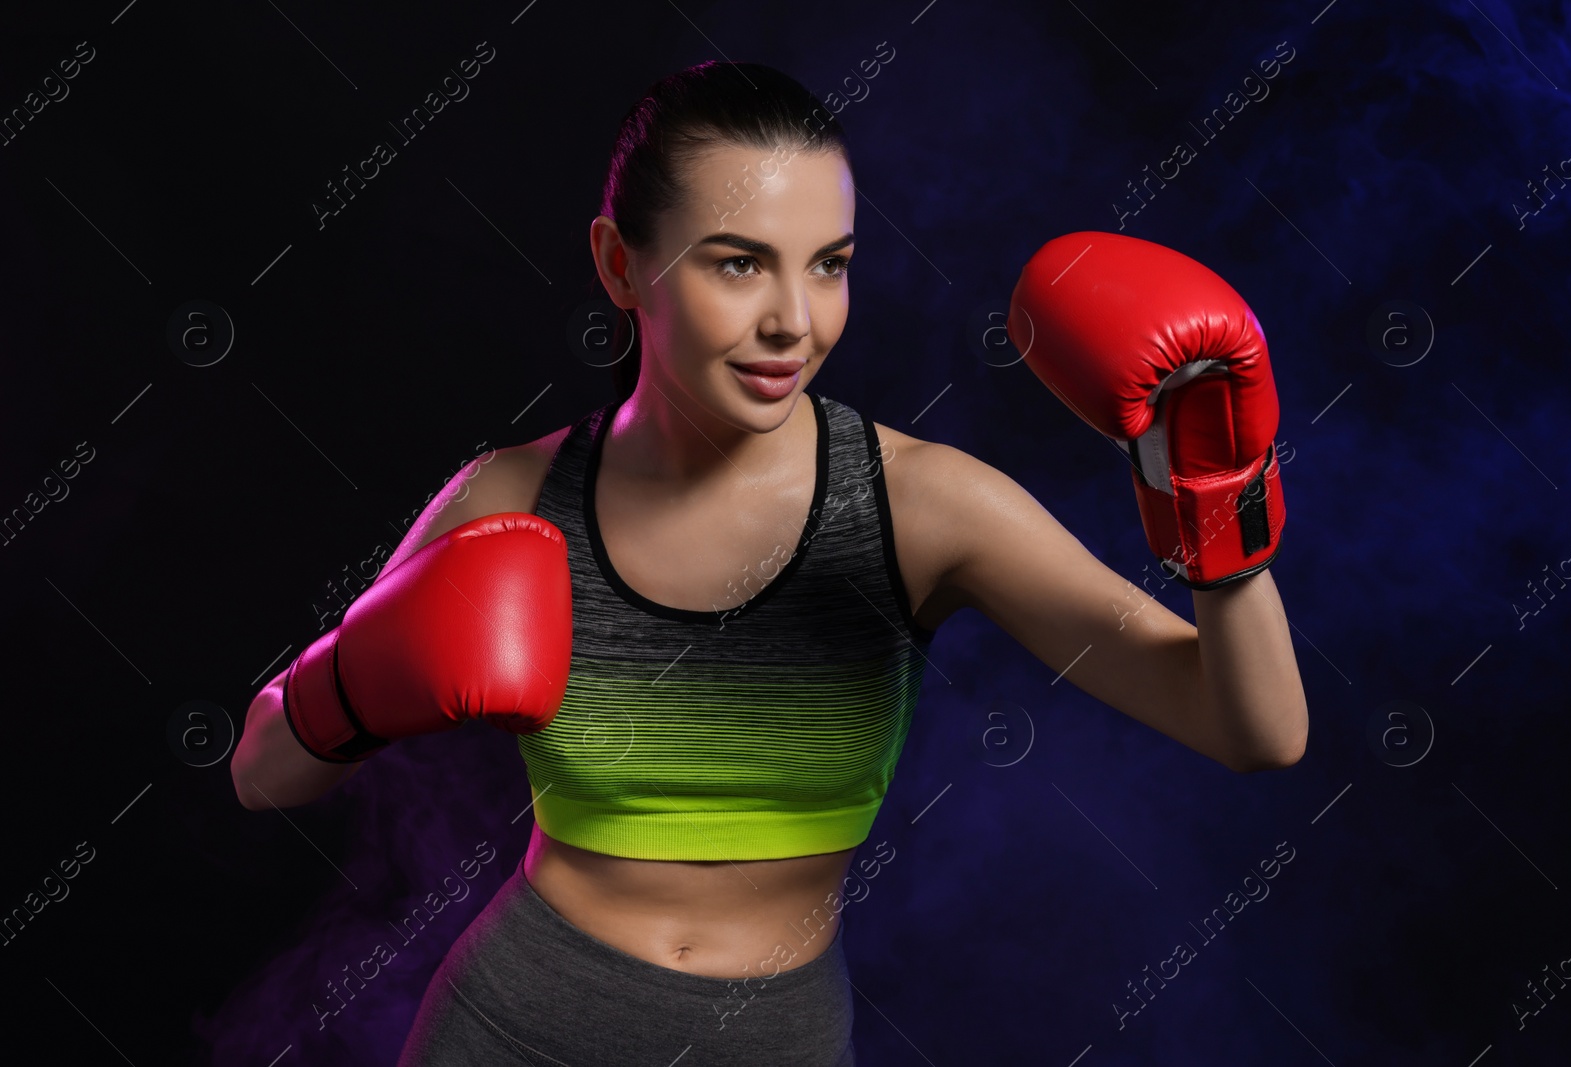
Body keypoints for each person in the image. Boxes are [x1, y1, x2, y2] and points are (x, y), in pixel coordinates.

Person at [231, 59, 1309, 1066]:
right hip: (510, 1023)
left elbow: (1254, 729)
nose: (793, 321)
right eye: (739, 262)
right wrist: (355, 679)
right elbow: (261, 771)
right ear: (620, 263)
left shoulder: (922, 503)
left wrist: (1217, 502)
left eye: (829, 265)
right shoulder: (511, 496)